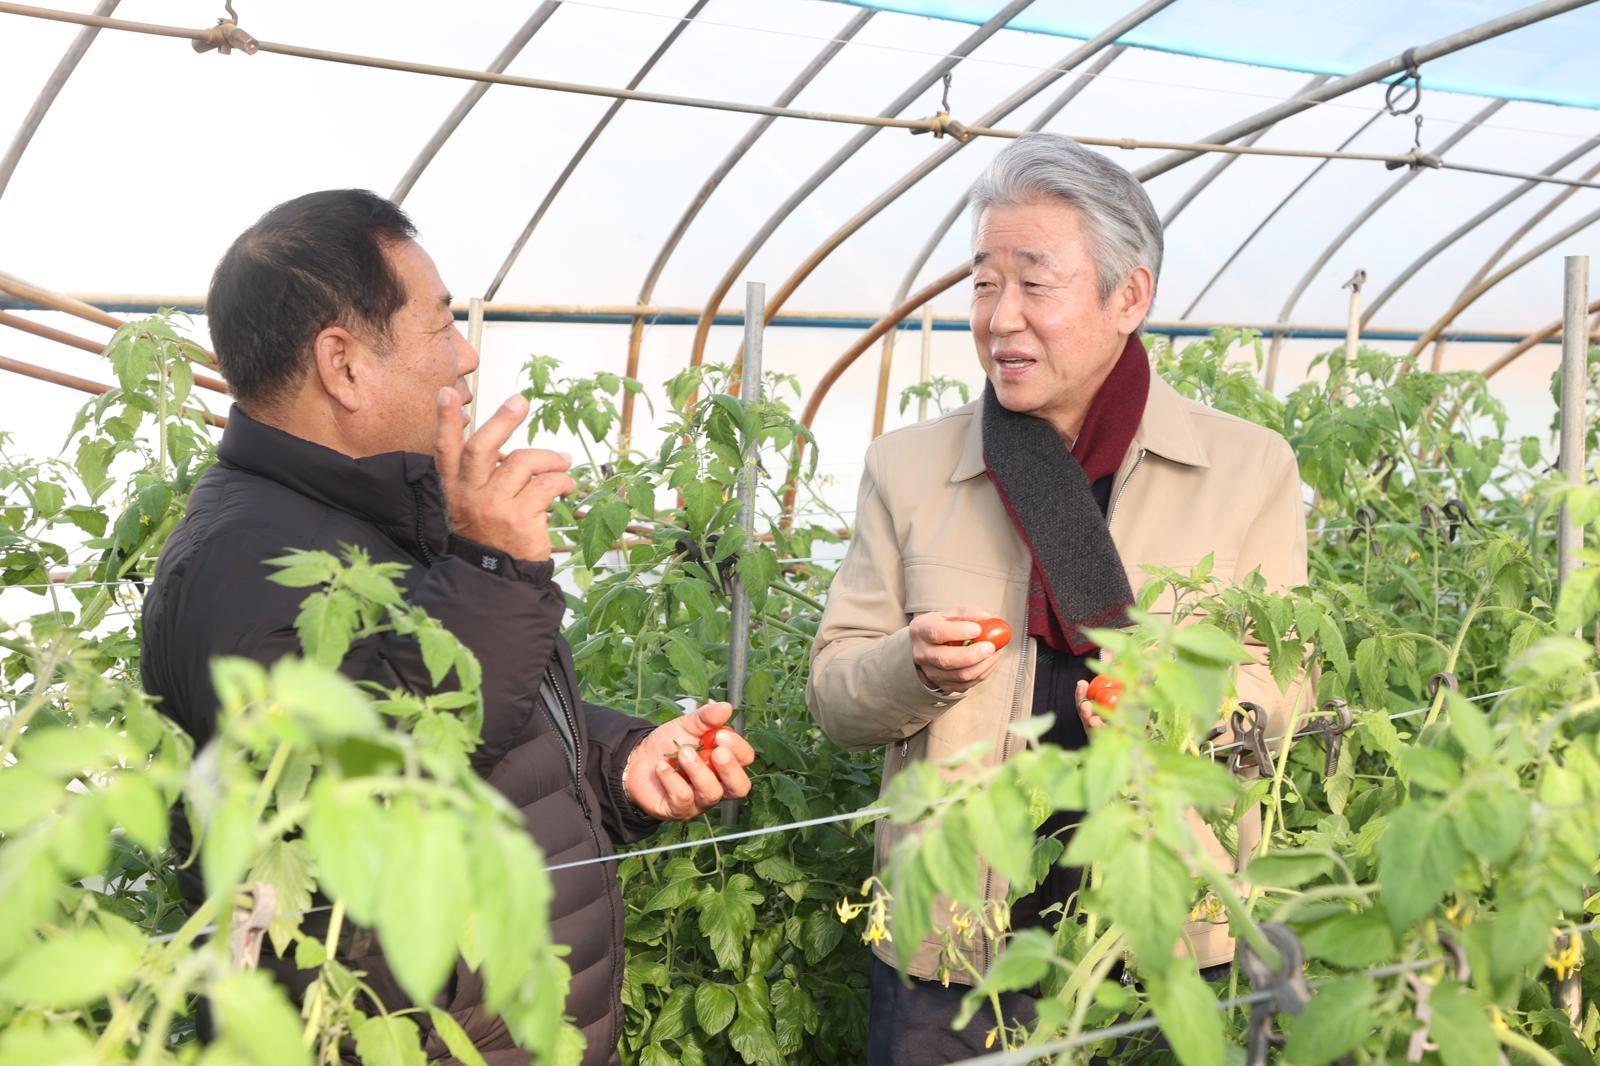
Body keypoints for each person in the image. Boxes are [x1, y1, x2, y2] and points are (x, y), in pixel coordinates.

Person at [140, 189, 755, 1065]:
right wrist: (495, 571)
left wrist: (620, 763)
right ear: (342, 364)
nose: (465, 356)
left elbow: (491, 730)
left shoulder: (386, 510)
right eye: (439, 327)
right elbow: (370, 795)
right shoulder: (240, 564)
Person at [806, 133, 1310, 1063]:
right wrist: (909, 666)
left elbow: (1279, 696)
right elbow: (836, 696)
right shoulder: (909, 469)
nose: (1000, 318)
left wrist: (1168, 715)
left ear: (1130, 296)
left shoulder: (1245, 471)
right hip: (948, 949)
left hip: (1157, 932)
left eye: (1034, 285)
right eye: (984, 283)